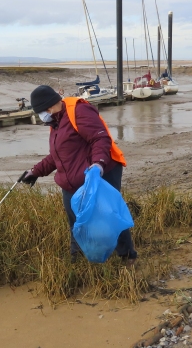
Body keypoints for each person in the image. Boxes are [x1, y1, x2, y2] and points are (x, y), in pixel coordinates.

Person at [22, 85, 137, 266]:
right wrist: (36, 171)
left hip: (101, 172)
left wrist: (98, 163)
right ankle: (78, 259)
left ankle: (127, 256)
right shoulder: (55, 123)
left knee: (109, 215)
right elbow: (59, 155)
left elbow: (100, 138)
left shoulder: (79, 111)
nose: (41, 117)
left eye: (40, 112)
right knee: (75, 220)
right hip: (72, 181)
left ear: (49, 107)